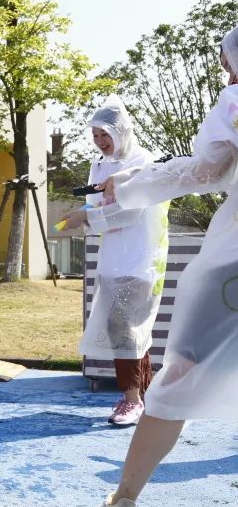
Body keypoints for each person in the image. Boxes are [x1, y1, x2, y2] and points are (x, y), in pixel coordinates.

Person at [77, 29, 238, 507]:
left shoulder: (232, 101)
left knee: (180, 369)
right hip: (120, 262)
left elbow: (207, 169)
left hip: (220, 266)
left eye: (228, 66)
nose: (227, 76)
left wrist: (125, 188)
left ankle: (121, 502)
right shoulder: (101, 164)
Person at [62, 95, 169, 426]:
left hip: (140, 260)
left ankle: (131, 399)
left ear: (121, 131)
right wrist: (80, 215)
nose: (100, 142)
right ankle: (141, 396)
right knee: (125, 329)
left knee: (127, 329)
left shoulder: (144, 161)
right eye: (95, 136)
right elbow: (97, 203)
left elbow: (132, 210)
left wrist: (87, 216)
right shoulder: (100, 164)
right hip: (112, 259)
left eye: (105, 134)